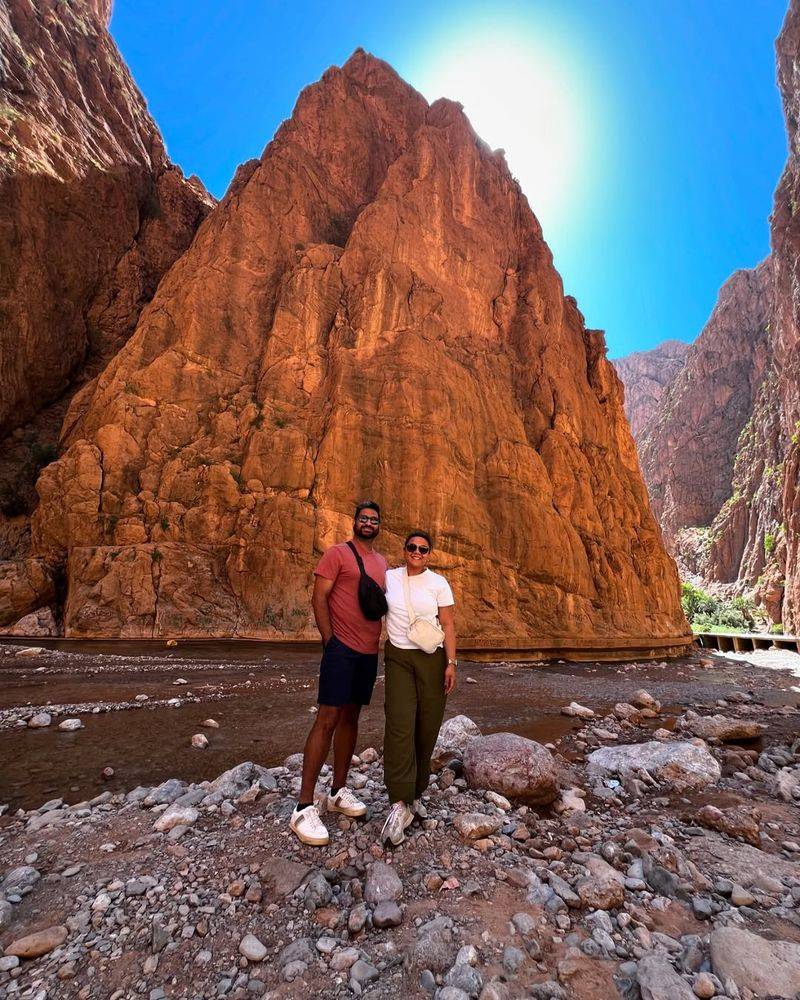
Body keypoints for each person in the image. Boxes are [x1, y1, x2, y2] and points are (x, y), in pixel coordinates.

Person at [290, 501, 388, 846]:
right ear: (354, 523)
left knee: (351, 717)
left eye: (373, 520)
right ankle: (303, 807)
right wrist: (330, 640)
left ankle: (337, 791)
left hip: (368, 652)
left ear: (378, 526)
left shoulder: (381, 562)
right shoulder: (336, 554)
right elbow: (320, 598)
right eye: (363, 518)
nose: (368, 523)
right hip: (341, 650)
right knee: (327, 717)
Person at [381, 530, 456, 844]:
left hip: (432, 659)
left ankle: (416, 791)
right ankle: (399, 800)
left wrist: (452, 663)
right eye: (411, 547)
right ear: (404, 549)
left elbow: (448, 624)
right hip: (398, 657)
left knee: (426, 726)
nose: (416, 552)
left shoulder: (439, 583)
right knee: (399, 723)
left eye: (423, 549)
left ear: (429, 554)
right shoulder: (389, 577)